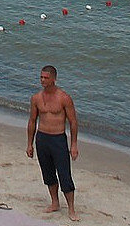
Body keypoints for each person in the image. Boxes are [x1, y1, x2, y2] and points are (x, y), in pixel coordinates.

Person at [28, 64, 81, 220]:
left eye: (46, 78)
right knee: (48, 173)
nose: (43, 80)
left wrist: (74, 145)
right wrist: (29, 143)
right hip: (42, 138)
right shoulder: (36, 98)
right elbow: (32, 121)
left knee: (64, 174)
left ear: (54, 79)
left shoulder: (64, 98)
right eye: (41, 77)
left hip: (58, 139)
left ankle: (71, 209)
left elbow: (73, 122)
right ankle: (55, 203)